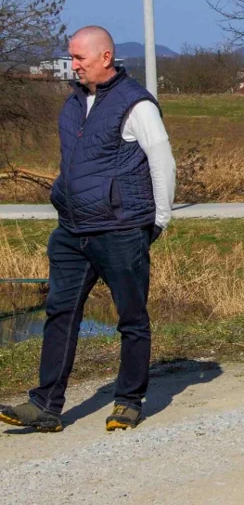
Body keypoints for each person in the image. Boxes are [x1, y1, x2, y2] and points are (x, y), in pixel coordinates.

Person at [0, 26, 176, 432]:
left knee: (131, 317)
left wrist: (160, 218)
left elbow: (161, 162)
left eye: (79, 58)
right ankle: (45, 405)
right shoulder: (74, 104)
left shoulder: (136, 105)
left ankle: (129, 401)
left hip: (120, 229)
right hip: (72, 231)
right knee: (60, 312)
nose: (73, 65)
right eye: (72, 57)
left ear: (106, 57)